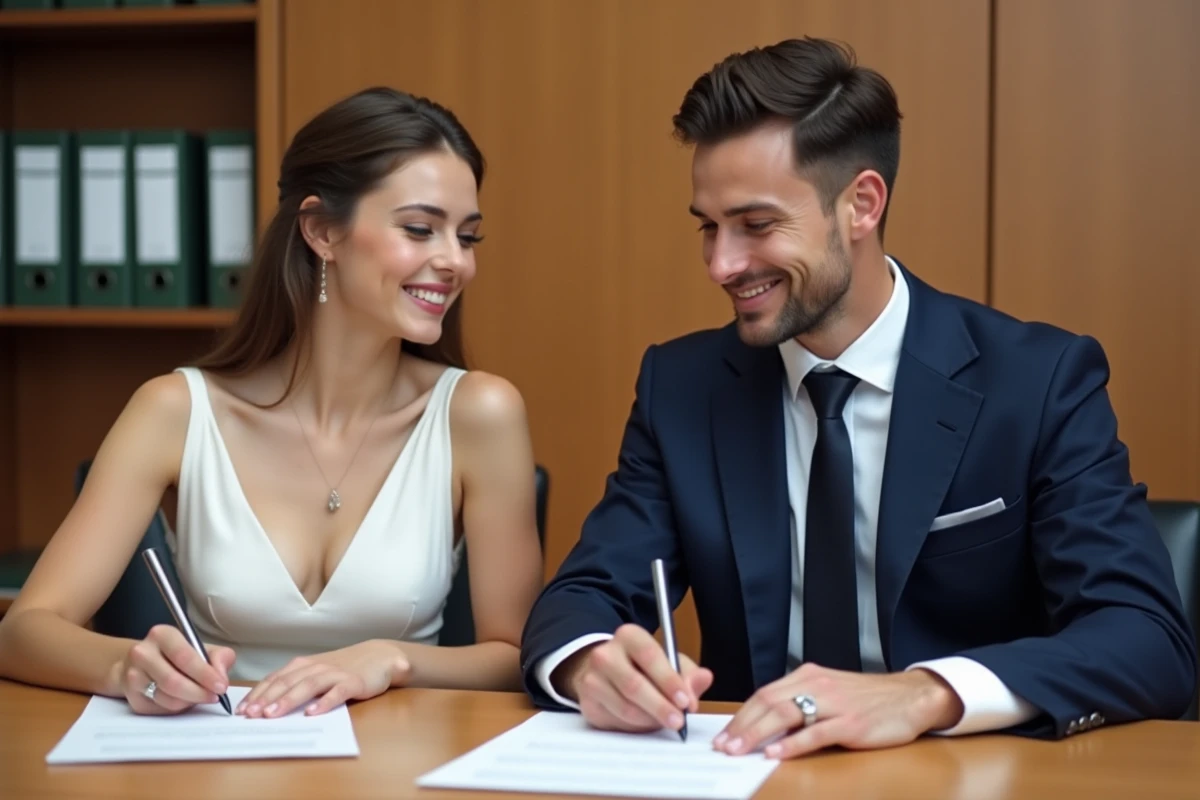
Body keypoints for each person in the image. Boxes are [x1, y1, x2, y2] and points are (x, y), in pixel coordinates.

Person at [520, 38, 1196, 759]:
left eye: (756, 226)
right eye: (707, 228)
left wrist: (926, 693)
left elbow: (1145, 638)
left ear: (862, 205)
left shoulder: (1037, 381)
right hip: (752, 774)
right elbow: (578, 599)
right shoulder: (681, 388)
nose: (721, 264)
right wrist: (593, 665)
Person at [0, 87, 543, 718]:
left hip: (398, 771)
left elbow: (515, 655)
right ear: (321, 231)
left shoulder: (480, 414)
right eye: (420, 229)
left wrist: (392, 660)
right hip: (222, 763)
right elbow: (24, 630)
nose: (454, 262)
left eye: (468, 237)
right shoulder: (174, 410)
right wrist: (128, 668)